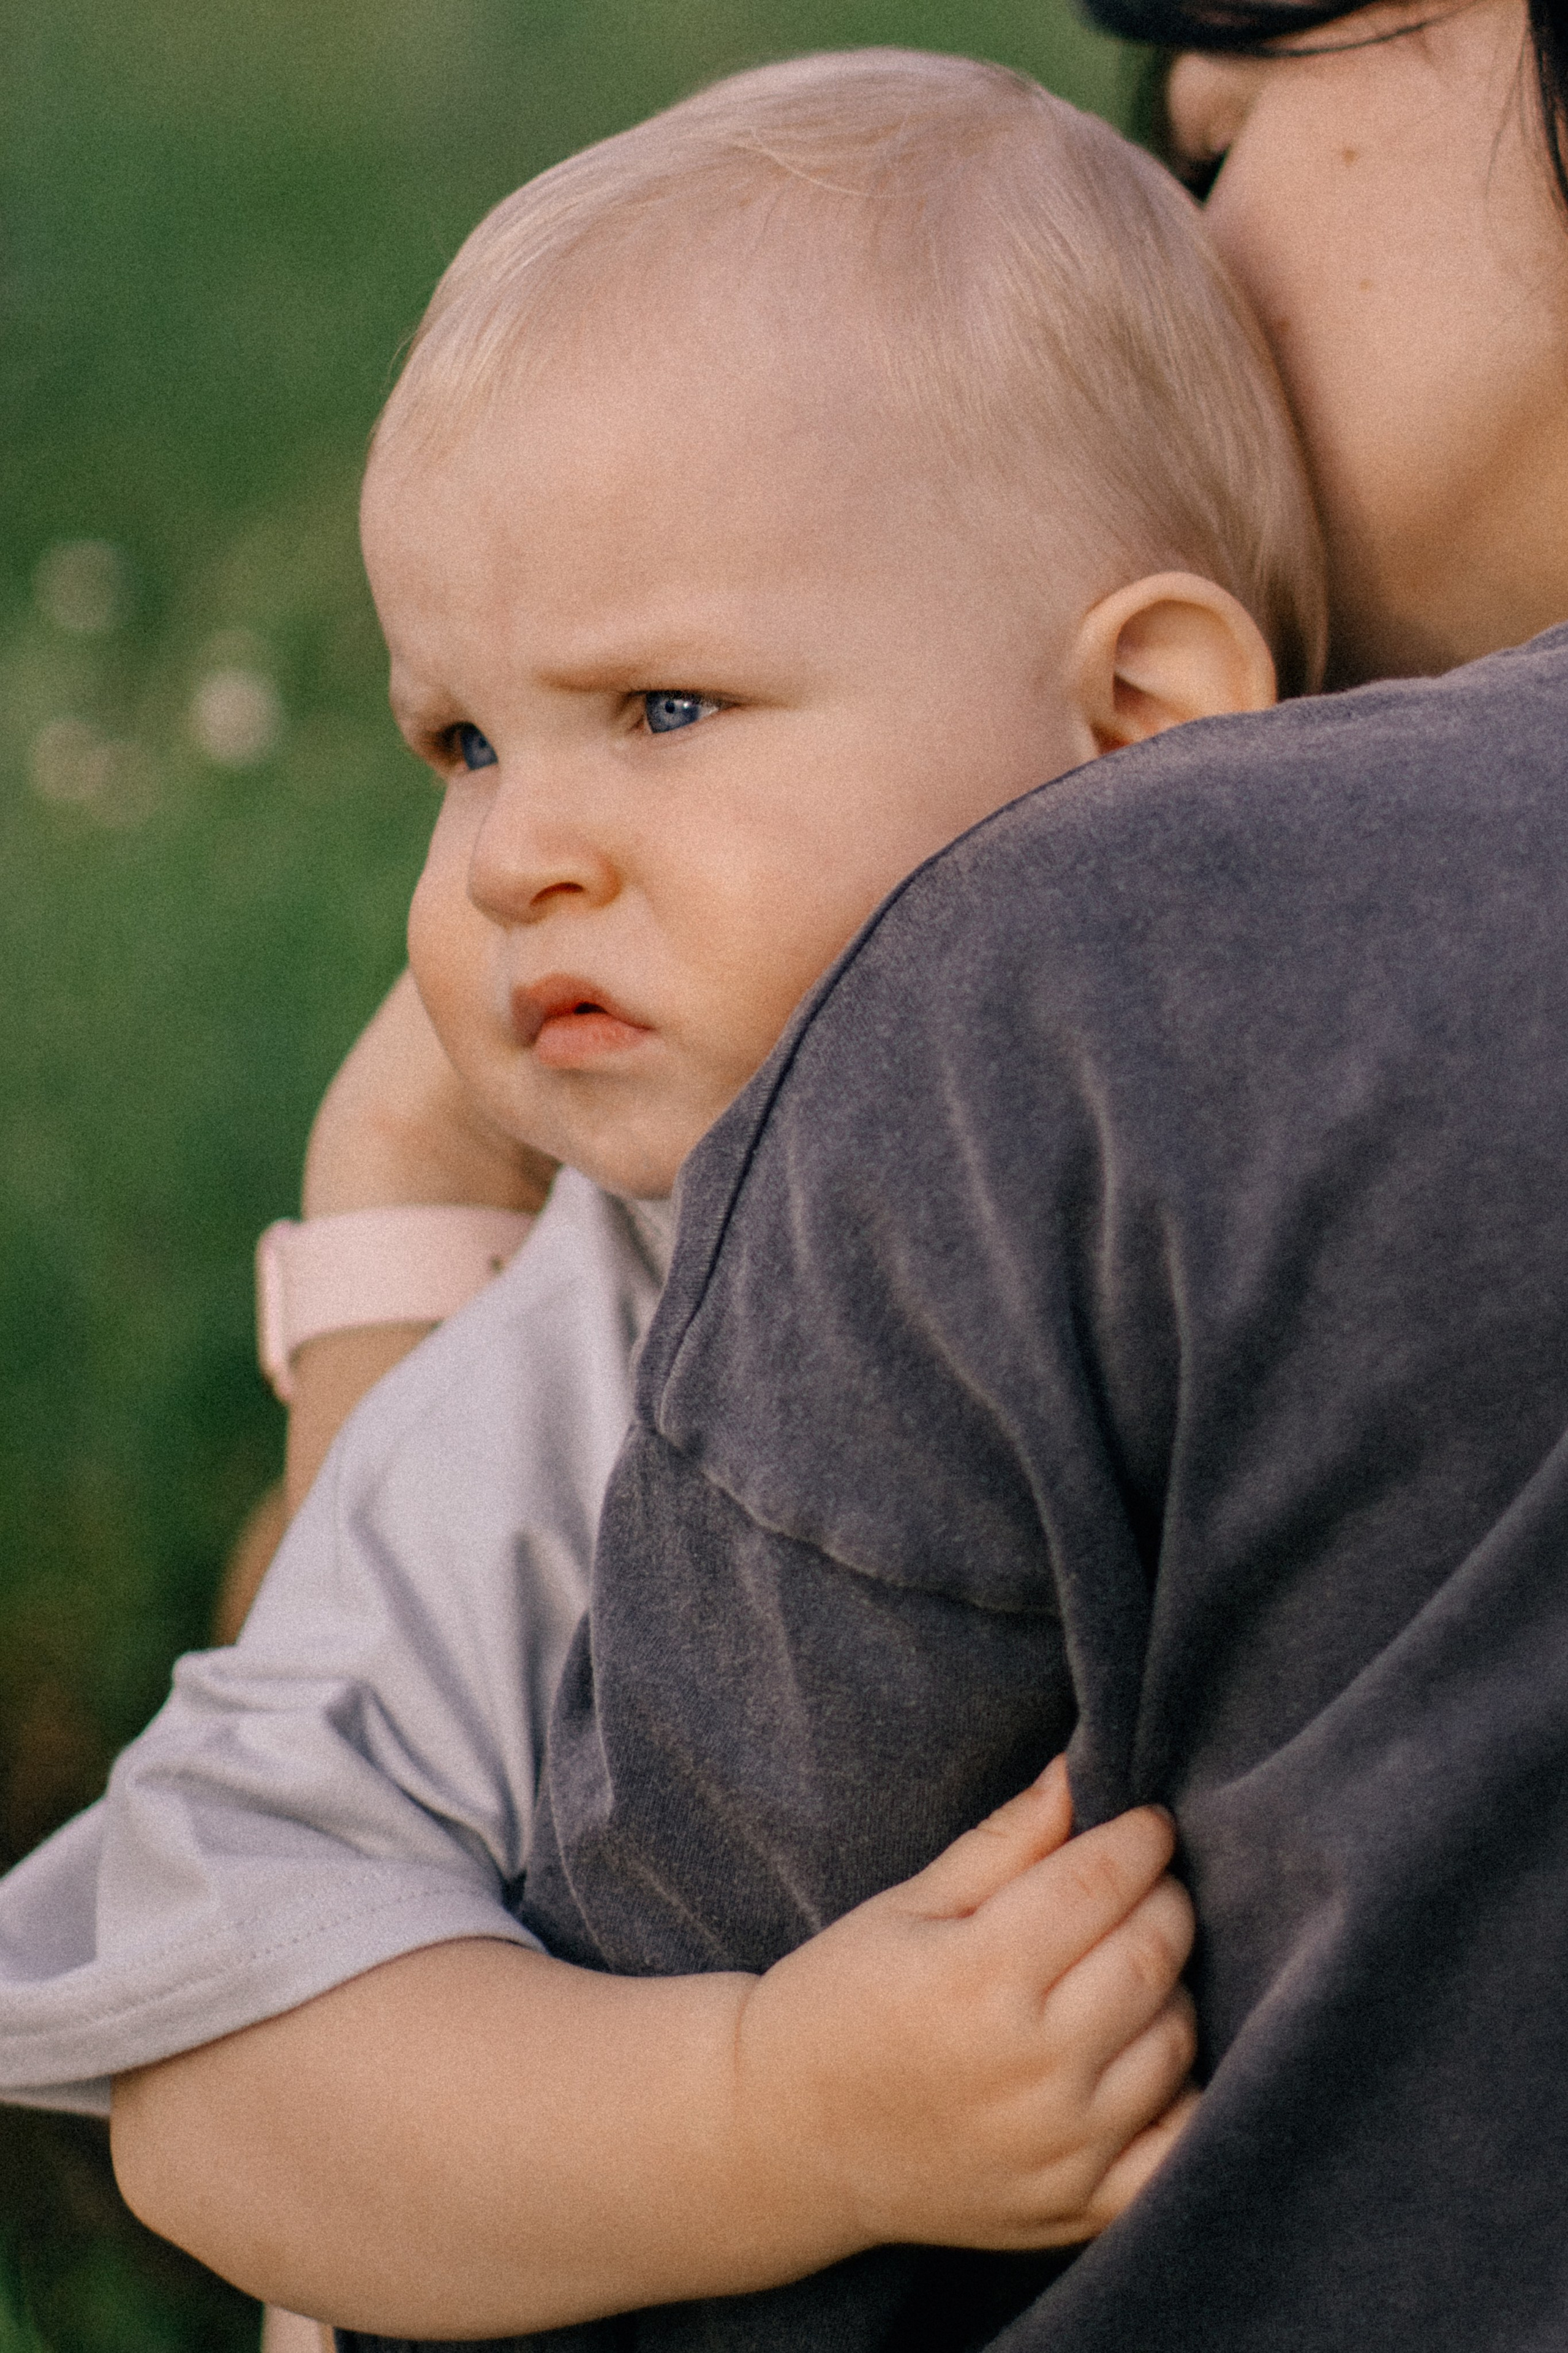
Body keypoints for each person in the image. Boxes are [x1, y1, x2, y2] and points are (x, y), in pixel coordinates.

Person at [105, 1, 1568, 2348]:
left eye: (664, 709)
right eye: (461, 742)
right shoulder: (571, 1345)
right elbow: (211, 2066)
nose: (511, 855)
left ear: (1144, 727)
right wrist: (768, 2113)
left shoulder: (1145, 1034)